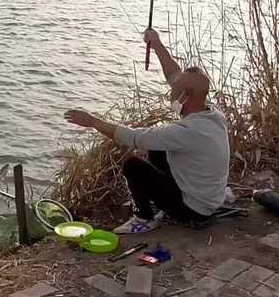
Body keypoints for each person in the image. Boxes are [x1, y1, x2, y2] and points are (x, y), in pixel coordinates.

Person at [64, 28, 230, 234]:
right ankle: (164, 203)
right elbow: (173, 74)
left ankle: (143, 217)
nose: (171, 92)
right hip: (210, 198)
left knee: (133, 166)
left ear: (185, 95)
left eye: (174, 90)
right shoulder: (213, 112)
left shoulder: (187, 131)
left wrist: (92, 121)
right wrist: (156, 43)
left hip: (194, 210)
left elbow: (132, 138)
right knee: (157, 149)